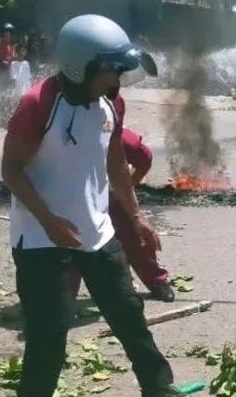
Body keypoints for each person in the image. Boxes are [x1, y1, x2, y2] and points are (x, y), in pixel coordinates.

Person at [0, 14, 188, 397]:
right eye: (111, 69)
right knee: (49, 333)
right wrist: (49, 221)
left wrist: (136, 217)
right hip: (41, 239)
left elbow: (115, 162)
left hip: (98, 231)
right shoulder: (38, 103)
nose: (118, 79)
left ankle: (158, 391)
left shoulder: (110, 104)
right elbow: (11, 169)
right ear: (79, 66)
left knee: (129, 314)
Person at [69, 121, 176, 303]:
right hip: (73, 196)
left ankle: (157, 281)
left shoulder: (118, 136)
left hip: (112, 193)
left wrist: (127, 186)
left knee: (135, 236)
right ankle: (63, 297)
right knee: (71, 244)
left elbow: (145, 158)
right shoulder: (64, 136)